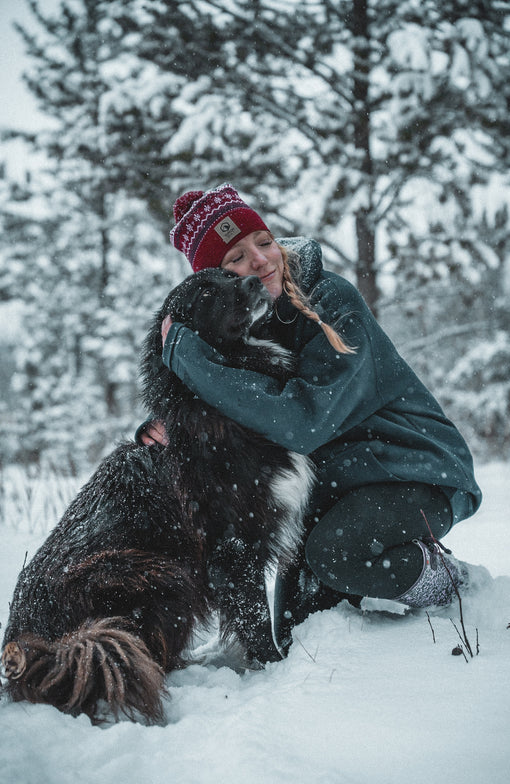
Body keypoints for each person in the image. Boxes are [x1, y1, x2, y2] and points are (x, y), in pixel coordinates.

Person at [138, 183, 482, 654]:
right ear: (217, 280)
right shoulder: (246, 327)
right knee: (299, 631)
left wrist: (190, 360)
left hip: (415, 470)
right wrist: (166, 429)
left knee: (335, 554)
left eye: (263, 242)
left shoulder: (329, 300)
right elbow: (228, 412)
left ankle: (443, 581)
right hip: (337, 491)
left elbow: (304, 421)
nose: (260, 261)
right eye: (236, 258)